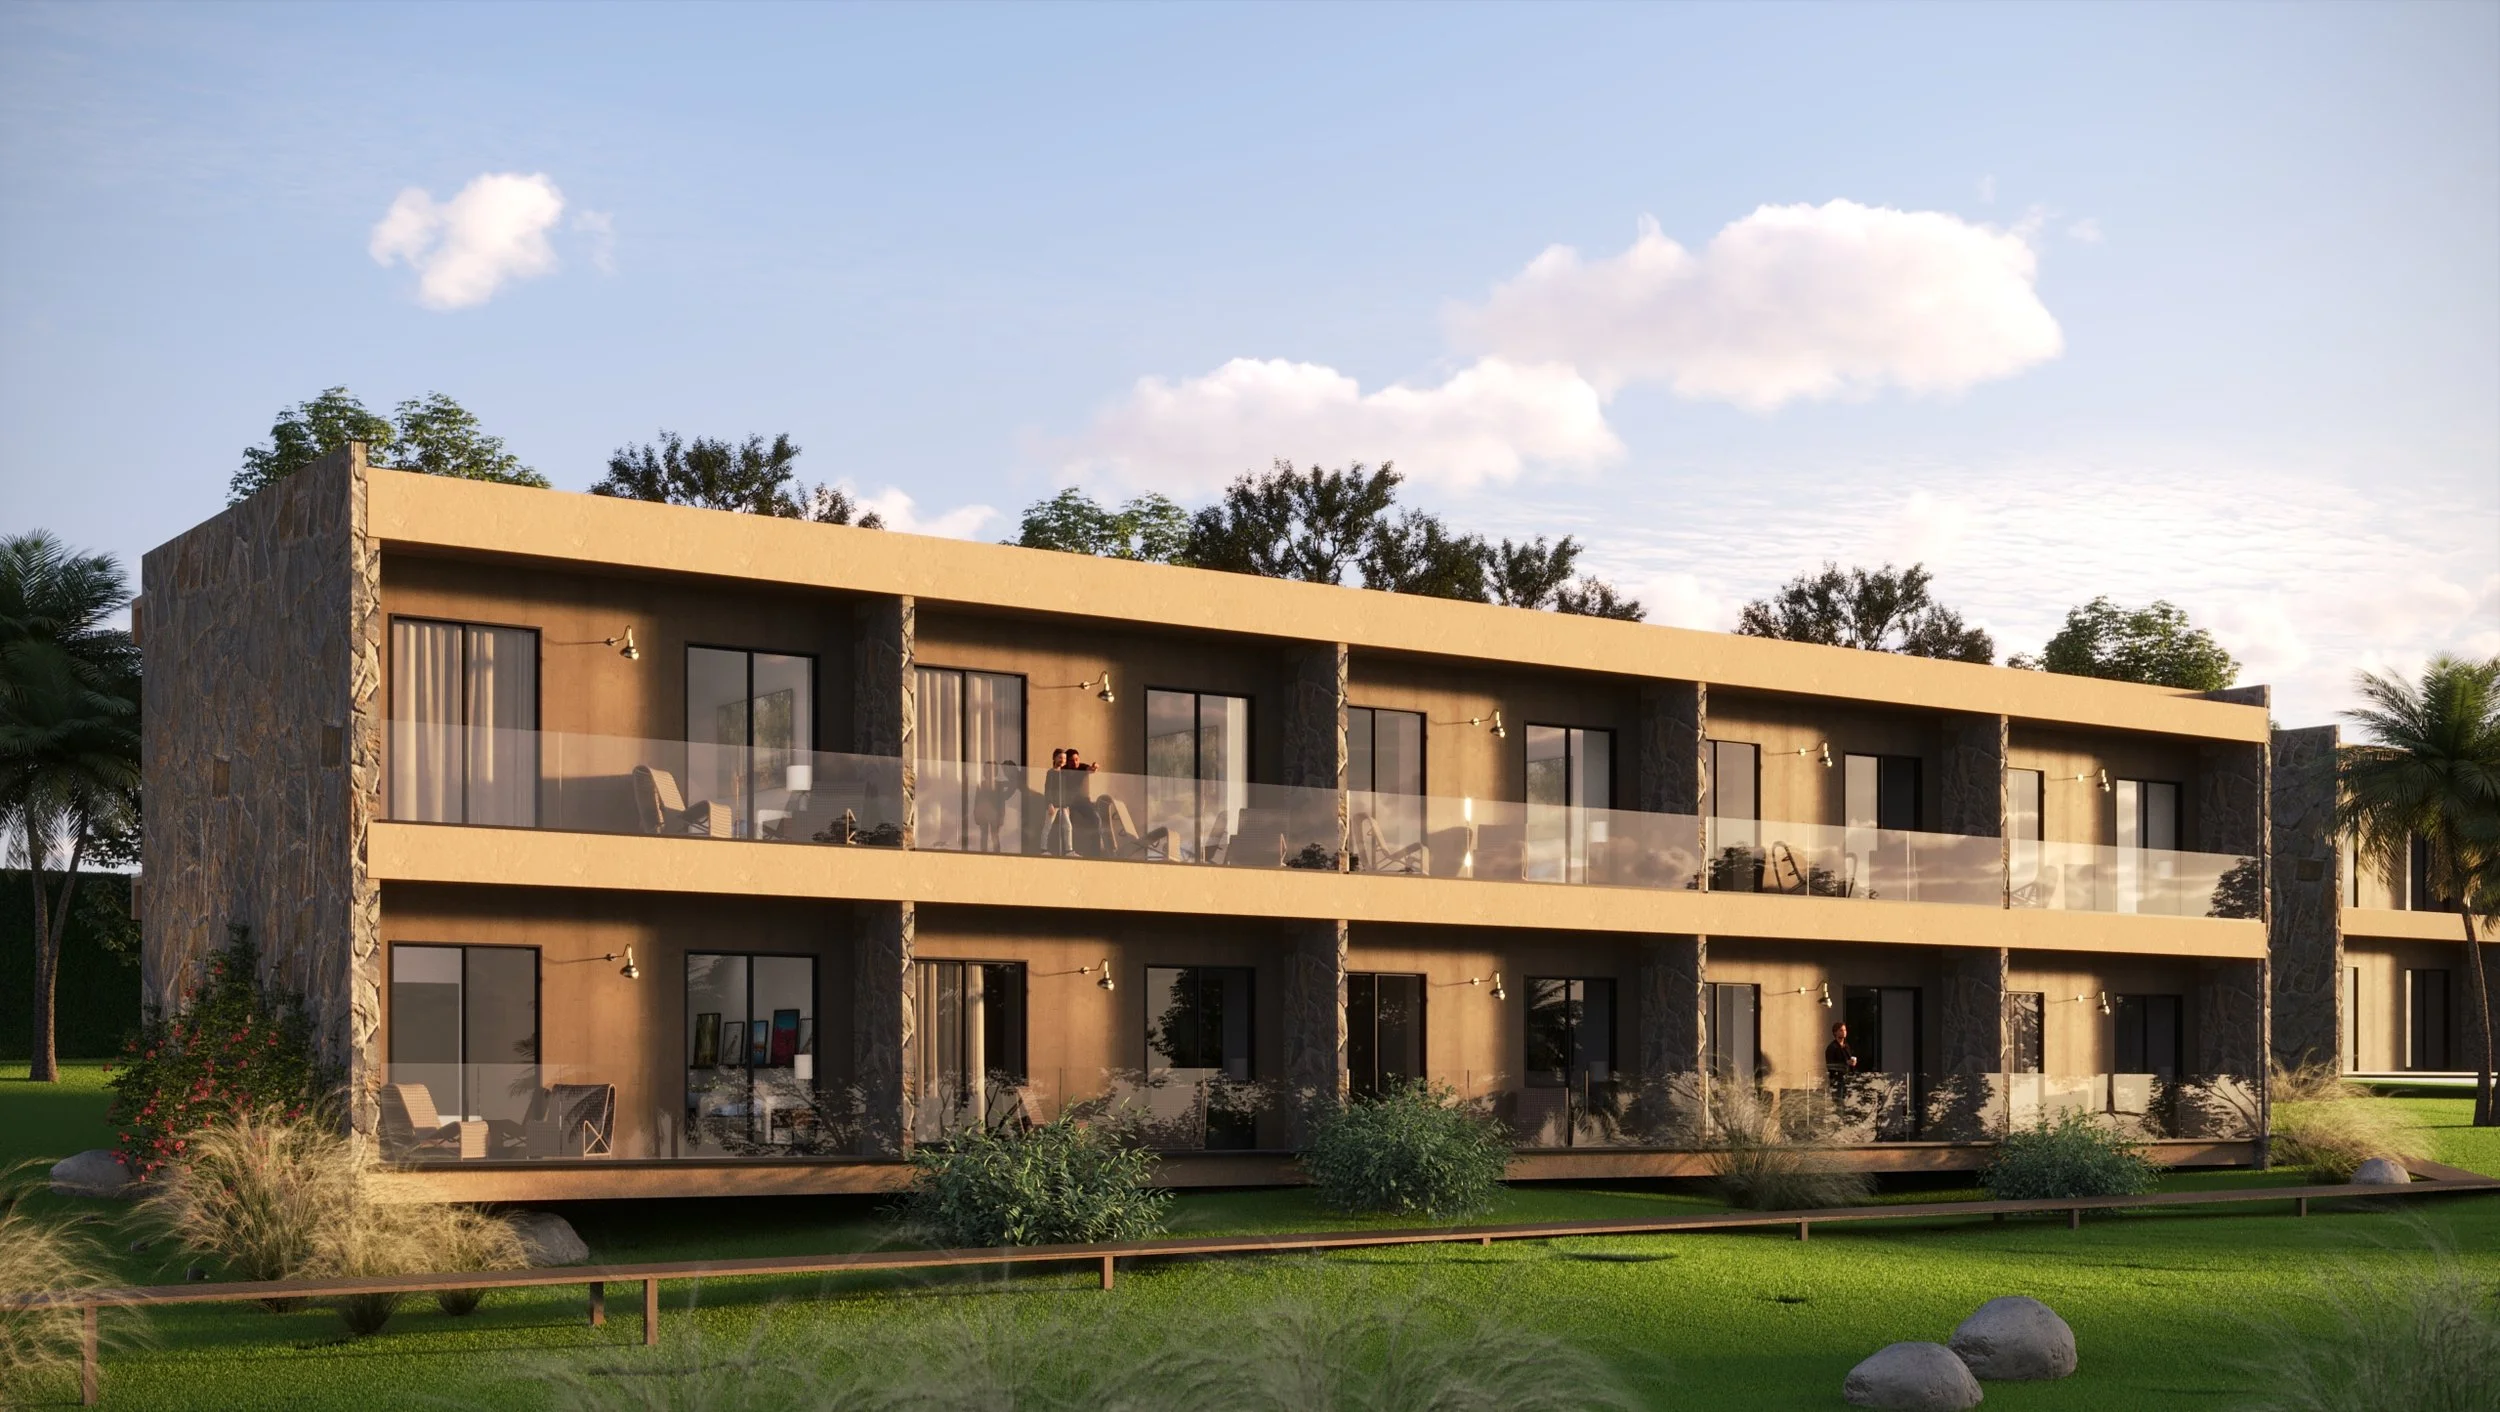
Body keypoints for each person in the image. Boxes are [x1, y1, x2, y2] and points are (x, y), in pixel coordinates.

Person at [1824, 1021, 1859, 1091]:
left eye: (1845, 1030)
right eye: (1841, 1030)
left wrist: (1853, 1063)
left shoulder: (1846, 1046)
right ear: (1835, 1032)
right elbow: (1830, 1065)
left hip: (1848, 1080)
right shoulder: (1832, 1047)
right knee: (1838, 1101)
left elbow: (1849, 1059)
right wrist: (1846, 1063)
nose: (1844, 1032)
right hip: (1837, 1081)